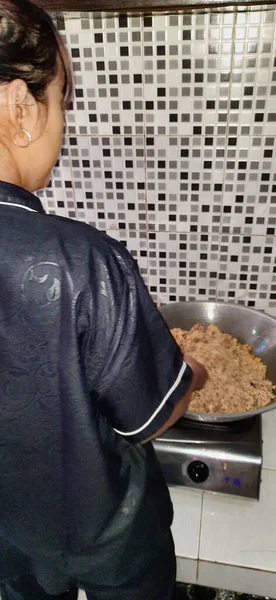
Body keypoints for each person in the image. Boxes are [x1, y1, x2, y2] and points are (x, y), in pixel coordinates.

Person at [0, 2, 207, 599]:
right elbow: (147, 418)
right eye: (62, 99)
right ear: (21, 108)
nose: (63, 120)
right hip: (108, 541)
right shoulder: (83, 260)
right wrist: (189, 373)